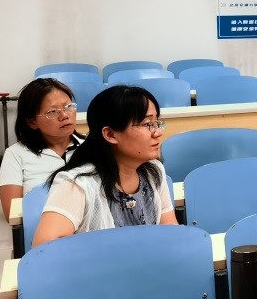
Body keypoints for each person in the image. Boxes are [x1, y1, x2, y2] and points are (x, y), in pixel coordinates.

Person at [33, 86, 177, 246]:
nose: (157, 132)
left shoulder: (153, 171)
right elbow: (44, 248)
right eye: (147, 124)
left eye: (157, 122)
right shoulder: (77, 184)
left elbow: (170, 232)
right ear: (110, 134)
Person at [0, 78, 83, 218]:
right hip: (44, 226)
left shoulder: (92, 146)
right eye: (53, 112)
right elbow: (12, 212)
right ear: (32, 122)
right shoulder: (15, 154)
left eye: (69, 107)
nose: (64, 115)